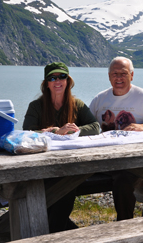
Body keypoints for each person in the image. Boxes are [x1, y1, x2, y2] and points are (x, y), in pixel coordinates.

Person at [89, 56, 143, 220]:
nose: (119, 78)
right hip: (106, 159)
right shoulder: (99, 99)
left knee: (123, 181)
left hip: (136, 160)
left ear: (132, 75)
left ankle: (125, 226)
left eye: (123, 73)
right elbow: (85, 125)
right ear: (109, 76)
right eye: (114, 74)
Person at [23, 61, 100, 233]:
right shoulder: (36, 106)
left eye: (62, 76)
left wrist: (74, 131)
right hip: (41, 167)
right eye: (52, 78)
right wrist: (56, 131)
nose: (58, 81)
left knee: (66, 184)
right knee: (59, 188)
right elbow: (27, 133)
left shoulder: (77, 104)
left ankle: (55, 232)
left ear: (68, 81)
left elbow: (95, 126)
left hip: (71, 165)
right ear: (46, 84)